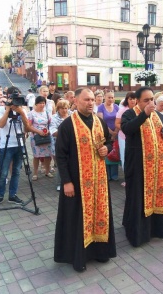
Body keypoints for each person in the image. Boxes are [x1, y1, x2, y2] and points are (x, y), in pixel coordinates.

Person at [54, 87, 116, 272]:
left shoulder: (99, 121)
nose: (90, 103)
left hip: (99, 182)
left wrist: (107, 148)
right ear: (76, 102)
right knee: (77, 219)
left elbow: (108, 141)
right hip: (76, 182)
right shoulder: (67, 125)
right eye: (86, 100)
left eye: (92, 100)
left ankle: (100, 251)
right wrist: (66, 181)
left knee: (100, 214)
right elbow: (61, 156)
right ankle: (78, 257)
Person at [121, 86, 163, 247]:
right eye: (146, 100)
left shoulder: (159, 116)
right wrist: (144, 114)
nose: (150, 103)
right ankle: (138, 233)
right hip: (138, 165)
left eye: (152, 100)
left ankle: (156, 229)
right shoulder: (129, 113)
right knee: (137, 197)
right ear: (137, 101)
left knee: (157, 196)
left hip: (157, 166)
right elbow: (127, 129)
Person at [0, 87, 30, 208]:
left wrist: (22, 112)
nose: (15, 100)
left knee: (17, 171)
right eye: (13, 98)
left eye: (17, 97)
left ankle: (12, 195)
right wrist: (7, 110)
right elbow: (1, 125)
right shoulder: (0, 109)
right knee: (3, 173)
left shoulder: (22, 109)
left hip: (19, 143)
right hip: (6, 145)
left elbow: (27, 127)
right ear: (8, 97)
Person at [28, 96, 53, 180]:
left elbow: (51, 124)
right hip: (36, 136)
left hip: (46, 135)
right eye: (40, 103)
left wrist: (48, 131)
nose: (42, 105)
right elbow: (29, 126)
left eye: (43, 103)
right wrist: (38, 132)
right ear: (36, 104)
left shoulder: (47, 113)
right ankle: (35, 173)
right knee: (36, 156)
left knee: (47, 155)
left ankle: (47, 171)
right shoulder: (31, 113)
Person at [115, 92, 137, 186]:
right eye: (130, 99)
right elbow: (117, 123)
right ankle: (127, 179)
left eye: (134, 98)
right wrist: (126, 128)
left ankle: (135, 177)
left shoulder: (138, 110)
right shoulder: (122, 110)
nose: (132, 101)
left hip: (135, 138)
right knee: (125, 158)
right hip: (124, 137)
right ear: (127, 100)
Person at [97, 91, 120, 181]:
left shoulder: (116, 107)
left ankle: (114, 175)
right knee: (106, 153)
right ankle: (107, 175)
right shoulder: (101, 107)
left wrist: (116, 132)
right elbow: (101, 121)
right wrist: (111, 133)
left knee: (115, 152)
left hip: (116, 133)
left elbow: (119, 120)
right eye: (109, 97)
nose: (110, 99)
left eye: (112, 97)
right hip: (105, 134)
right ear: (104, 97)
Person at [49, 99, 71, 191]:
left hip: (72, 144)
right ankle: (59, 183)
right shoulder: (54, 117)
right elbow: (53, 132)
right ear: (58, 109)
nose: (64, 110)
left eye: (66, 108)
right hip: (59, 144)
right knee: (61, 164)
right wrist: (66, 132)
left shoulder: (72, 115)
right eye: (62, 108)